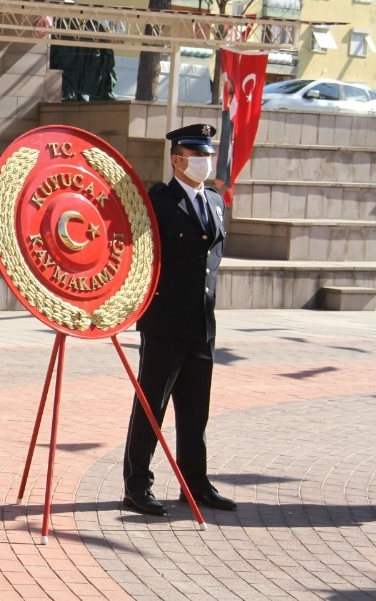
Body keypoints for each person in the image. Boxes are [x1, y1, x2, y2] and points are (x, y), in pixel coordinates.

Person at [122, 123, 237, 516]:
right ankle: (137, 486)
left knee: (195, 410)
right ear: (177, 159)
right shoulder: (158, 201)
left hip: (202, 323)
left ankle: (196, 482)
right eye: (197, 156)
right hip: (165, 323)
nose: (205, 162)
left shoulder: (216, 202)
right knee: (151, 408)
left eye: (207, 155)